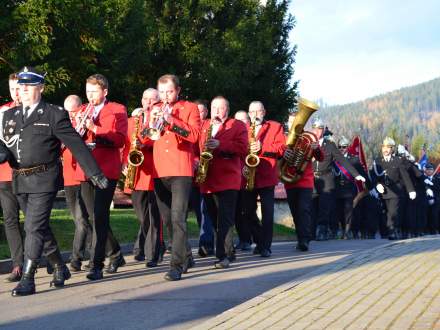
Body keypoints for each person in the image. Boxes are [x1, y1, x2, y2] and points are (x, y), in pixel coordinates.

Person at [0, 66, 106, 296]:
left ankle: (28, 278)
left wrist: (95, 173)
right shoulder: (10, 115)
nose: (23, 91)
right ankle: (59, 266)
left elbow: (76, 144)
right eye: (21, 87)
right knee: (39, 227)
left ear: (41, 88)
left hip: (45, 178)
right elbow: (5, 144)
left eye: (28, 86)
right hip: (20, 179)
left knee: (33, 227)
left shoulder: (53, 114)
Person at [75, 74, 128, 280]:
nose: (90, 96)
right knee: (93, 216)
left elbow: (119, 139)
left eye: (94, 92)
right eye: (87, 92)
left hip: (106, 169)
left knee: (100, 215)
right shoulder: (81, 110)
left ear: (104, 92)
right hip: (86, 169)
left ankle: (96, 264)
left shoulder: (117, 109)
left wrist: (94, 128)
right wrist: (76, 130)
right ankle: (115, 253)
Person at [151, 74, 200, 281]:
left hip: (181, 169)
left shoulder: (189, 108)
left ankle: (176, 266)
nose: (165, 96)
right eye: (161, 92)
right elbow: (146, 136)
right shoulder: (152, 108)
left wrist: (172, 120)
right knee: (167, 220)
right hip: (159, 169)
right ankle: (187, 256)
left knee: (178, 218)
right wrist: (151, 121)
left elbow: (195, 136)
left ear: (178, 90)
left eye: (169, 91)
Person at [198, 96, 248, 268]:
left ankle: (223, 256)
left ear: (227, 109)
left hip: (228, 179)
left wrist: (220, 143)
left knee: (225, 219)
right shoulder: (204, 125)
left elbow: (243, 148)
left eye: (220, 108)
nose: (216, 111)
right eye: (213, 108)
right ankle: (229, 251)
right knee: (213, 218)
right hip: (208, 180)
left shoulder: (237, 125)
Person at [123, 99, 163, 268]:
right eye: (146, 99)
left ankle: (152, 253)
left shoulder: (160, 120)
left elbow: (161, 143)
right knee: (142, 217)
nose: (149, 102)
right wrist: (124, 162)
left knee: (154, 216)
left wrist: (144, 144)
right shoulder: (133, 121)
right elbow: (124, 145)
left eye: (153, 99)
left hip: (156, 172)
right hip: (137, 174)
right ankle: (155, 247)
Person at [242, 101, 285, 257]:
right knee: (247, 212)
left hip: (267, 174)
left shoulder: (275, 126)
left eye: (258, 111)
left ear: (264, 112)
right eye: (252, 112)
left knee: (268, 213)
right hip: (249, 175)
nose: (255, 115)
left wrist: (263, 148)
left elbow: (282, 149)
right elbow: (239, 149)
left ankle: (265, 246)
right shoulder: (244, 129)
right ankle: (260, 241)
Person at [311, 119, 366, 241]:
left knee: (324, 207)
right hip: (311, 178)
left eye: (320, 129)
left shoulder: (330, 145)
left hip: (326, 178)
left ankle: (322, 230)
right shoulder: (307, 143)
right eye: (315, 128)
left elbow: (342, 160)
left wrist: (356, 174)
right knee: (312, 205)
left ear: (323, 130)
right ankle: (311, 231)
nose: (317, 131)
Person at [282, 112, 324, 251]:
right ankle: (301, 238)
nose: (294, 125)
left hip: (305, 181)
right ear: (288, 123)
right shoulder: (284, 137)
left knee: (304, 209)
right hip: (289, 180)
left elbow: (320, 157)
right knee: (295, 212)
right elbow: (278, 158)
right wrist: (283, 153)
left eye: (297, 122)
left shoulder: (309, 137)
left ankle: (305, 240)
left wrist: (316, 148)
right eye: (291, 122)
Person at [63, 95, 93, 271]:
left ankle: (76, 259)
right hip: (68, 178)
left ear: (81, 108)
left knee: (82, 219)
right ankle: (96, 251)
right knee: (79, 220)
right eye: (68, 113)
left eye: (73, 112)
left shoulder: (86, 123)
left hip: (82, 176)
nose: (71, 116)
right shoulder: (64, 125)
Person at [0, 73, 24, 282]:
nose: (15, 93)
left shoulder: (34, 111)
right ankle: (18, 264)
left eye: (18, 88)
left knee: (35, 219)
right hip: (5, 174)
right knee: (10, 219)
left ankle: (53, 259)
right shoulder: (2, 111)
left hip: (27, 174)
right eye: (12, 88)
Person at [370, 137, 416, 240]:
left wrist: (411, 190)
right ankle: (388, 230)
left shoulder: (397, 161)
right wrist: (376, 184)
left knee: (393, 212)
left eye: (388, 147)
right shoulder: (377, 161)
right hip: (382, 191)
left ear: (392, 149)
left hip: (396, 191)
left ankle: (392, 231)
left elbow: (405, 176)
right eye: (384, 147)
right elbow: (373, 175)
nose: (385, 149)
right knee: (385, 212)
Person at [191, 99, 215, 257]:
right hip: (191, 176)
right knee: (198, 212)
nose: (199, 113)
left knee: (205, 211)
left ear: (206, 112)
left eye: (202, 111)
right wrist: (195, 160)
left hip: (208, 175)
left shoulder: (210, 126)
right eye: (196, 110)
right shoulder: (190, 126)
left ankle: (206, 244)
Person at [233, 110, 255, 251]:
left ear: (248, 121)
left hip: (247, 176)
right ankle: (243, 238)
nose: (240, 123)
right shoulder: (235, 133)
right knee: (236, 211)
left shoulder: (251, 134)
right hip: (236, 177)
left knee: (247, 211)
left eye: (243, 120)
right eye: (237, 120)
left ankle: (249, 239)